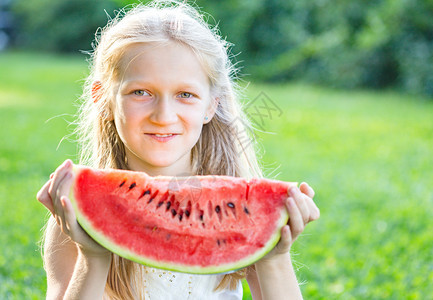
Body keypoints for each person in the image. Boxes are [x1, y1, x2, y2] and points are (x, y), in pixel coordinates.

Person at [36, 1, 320, 299]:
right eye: (141, 92)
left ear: (212, 104)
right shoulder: (73, 213)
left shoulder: (239, 213)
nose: (163, 115)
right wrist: (93, 257)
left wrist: (273, 257)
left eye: (186, 94)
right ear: (104, 99)